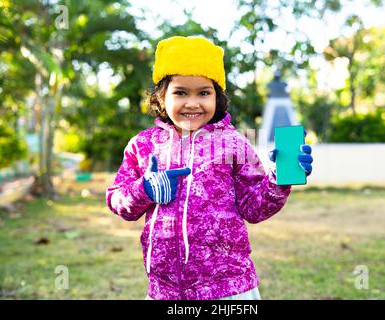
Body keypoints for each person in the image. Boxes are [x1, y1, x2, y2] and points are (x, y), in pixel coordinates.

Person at [106, 36, 313, 300]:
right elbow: (117, 199)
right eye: (180, 92)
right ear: (162, 96)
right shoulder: (143, 145)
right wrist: (143, 190)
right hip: (165, 291)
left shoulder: (234, 144)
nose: (192, 103)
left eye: (204, 92)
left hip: (229, 289)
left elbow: (254, 208)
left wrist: (280, 179)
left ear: (217, 97)